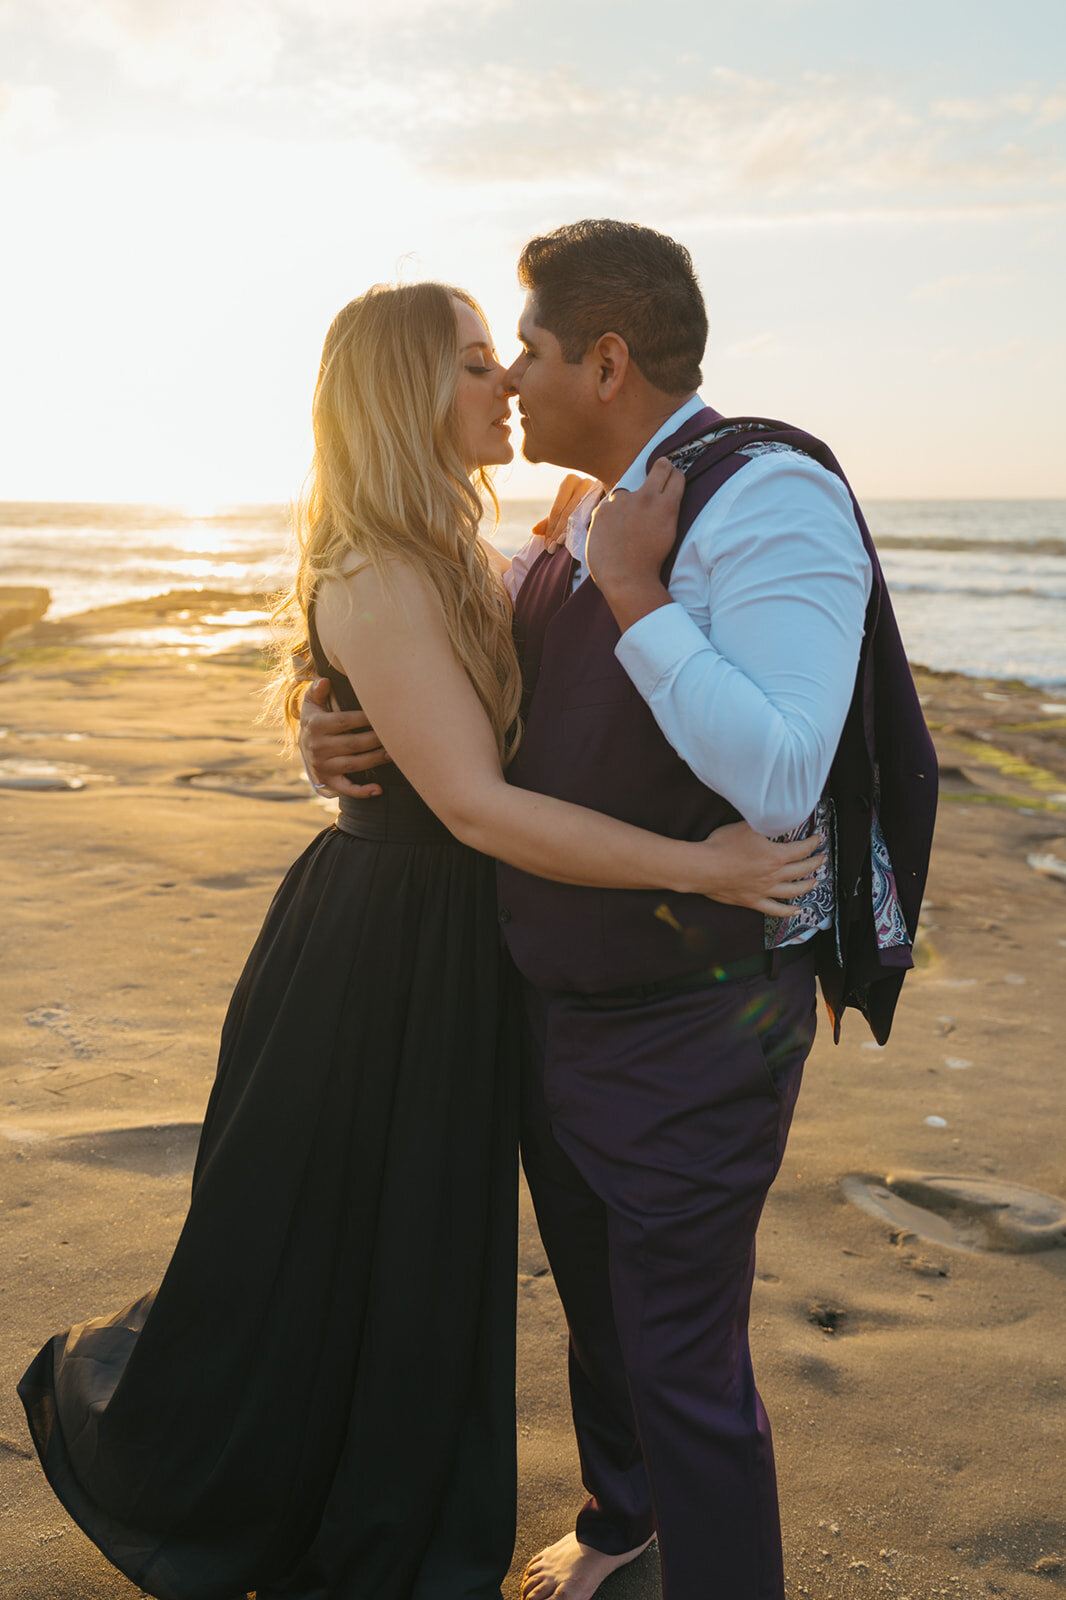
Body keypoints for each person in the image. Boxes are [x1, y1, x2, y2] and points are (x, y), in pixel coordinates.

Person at [17, 281, 822, 1600]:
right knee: (326, 1249)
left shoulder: (454, 549)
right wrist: (705, 865)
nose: (506, 379)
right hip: (376, 957)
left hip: (457, 940)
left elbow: (490, 707)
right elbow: (470, 801)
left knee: (418, 1259)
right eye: (470, 363)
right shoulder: (378, 568)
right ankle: (252, 1507)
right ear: (403, 396)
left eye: (503, 356)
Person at [301, 225, 937, 1600]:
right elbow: (489, 732)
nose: (510, 377)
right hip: (541, 997)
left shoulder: (766, 495)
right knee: (602, 1316)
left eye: (520, 348)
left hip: (691, 1021)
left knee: (682, 1358)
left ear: (603, 357)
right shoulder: (573, 518)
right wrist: (341, 734)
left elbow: (774, 771)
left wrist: (639, 590)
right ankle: (623, 1525)